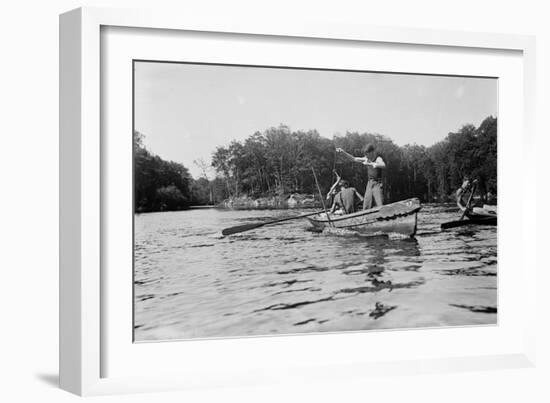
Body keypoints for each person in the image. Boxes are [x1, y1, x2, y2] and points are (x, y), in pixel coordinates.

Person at [336, 143, 386, 209]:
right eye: (365, 154)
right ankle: (366, 217)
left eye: (367, 154)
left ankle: (384, 214)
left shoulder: (378, 158)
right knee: (367, 203)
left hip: (377, 183)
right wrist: (343, 152)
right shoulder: (366, 159)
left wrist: (371, 164)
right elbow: (353, 159)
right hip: (370, 183)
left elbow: (383, 165)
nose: (366, 156)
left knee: (380, 202)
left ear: (372, 152)